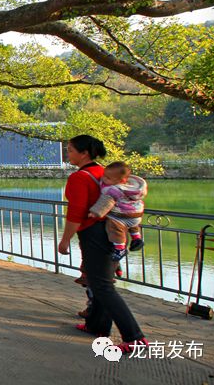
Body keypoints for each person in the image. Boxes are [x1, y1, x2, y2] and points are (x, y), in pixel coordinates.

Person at [57, 135, 148, 353]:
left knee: (103, 286)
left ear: (84, 153)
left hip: (95, 234)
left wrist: (65, 239)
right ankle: (97, 326)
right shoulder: (103, 173)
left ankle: (134, 337)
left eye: (70, 150)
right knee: (98, 282)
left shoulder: (80, 177)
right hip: (113, 232)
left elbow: (76, 213)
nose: (67, 154)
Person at [88, 161, 146, 261]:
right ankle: (136, 238)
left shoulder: (113, 189)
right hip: (136, 215)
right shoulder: (133, 188)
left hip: (120, 216)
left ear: (121, 180)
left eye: (108, 178)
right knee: (133, 225)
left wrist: (95, 213)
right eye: (104, 175)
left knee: (114, 228)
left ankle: (120, 249)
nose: (103, 179)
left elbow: (106, 202)